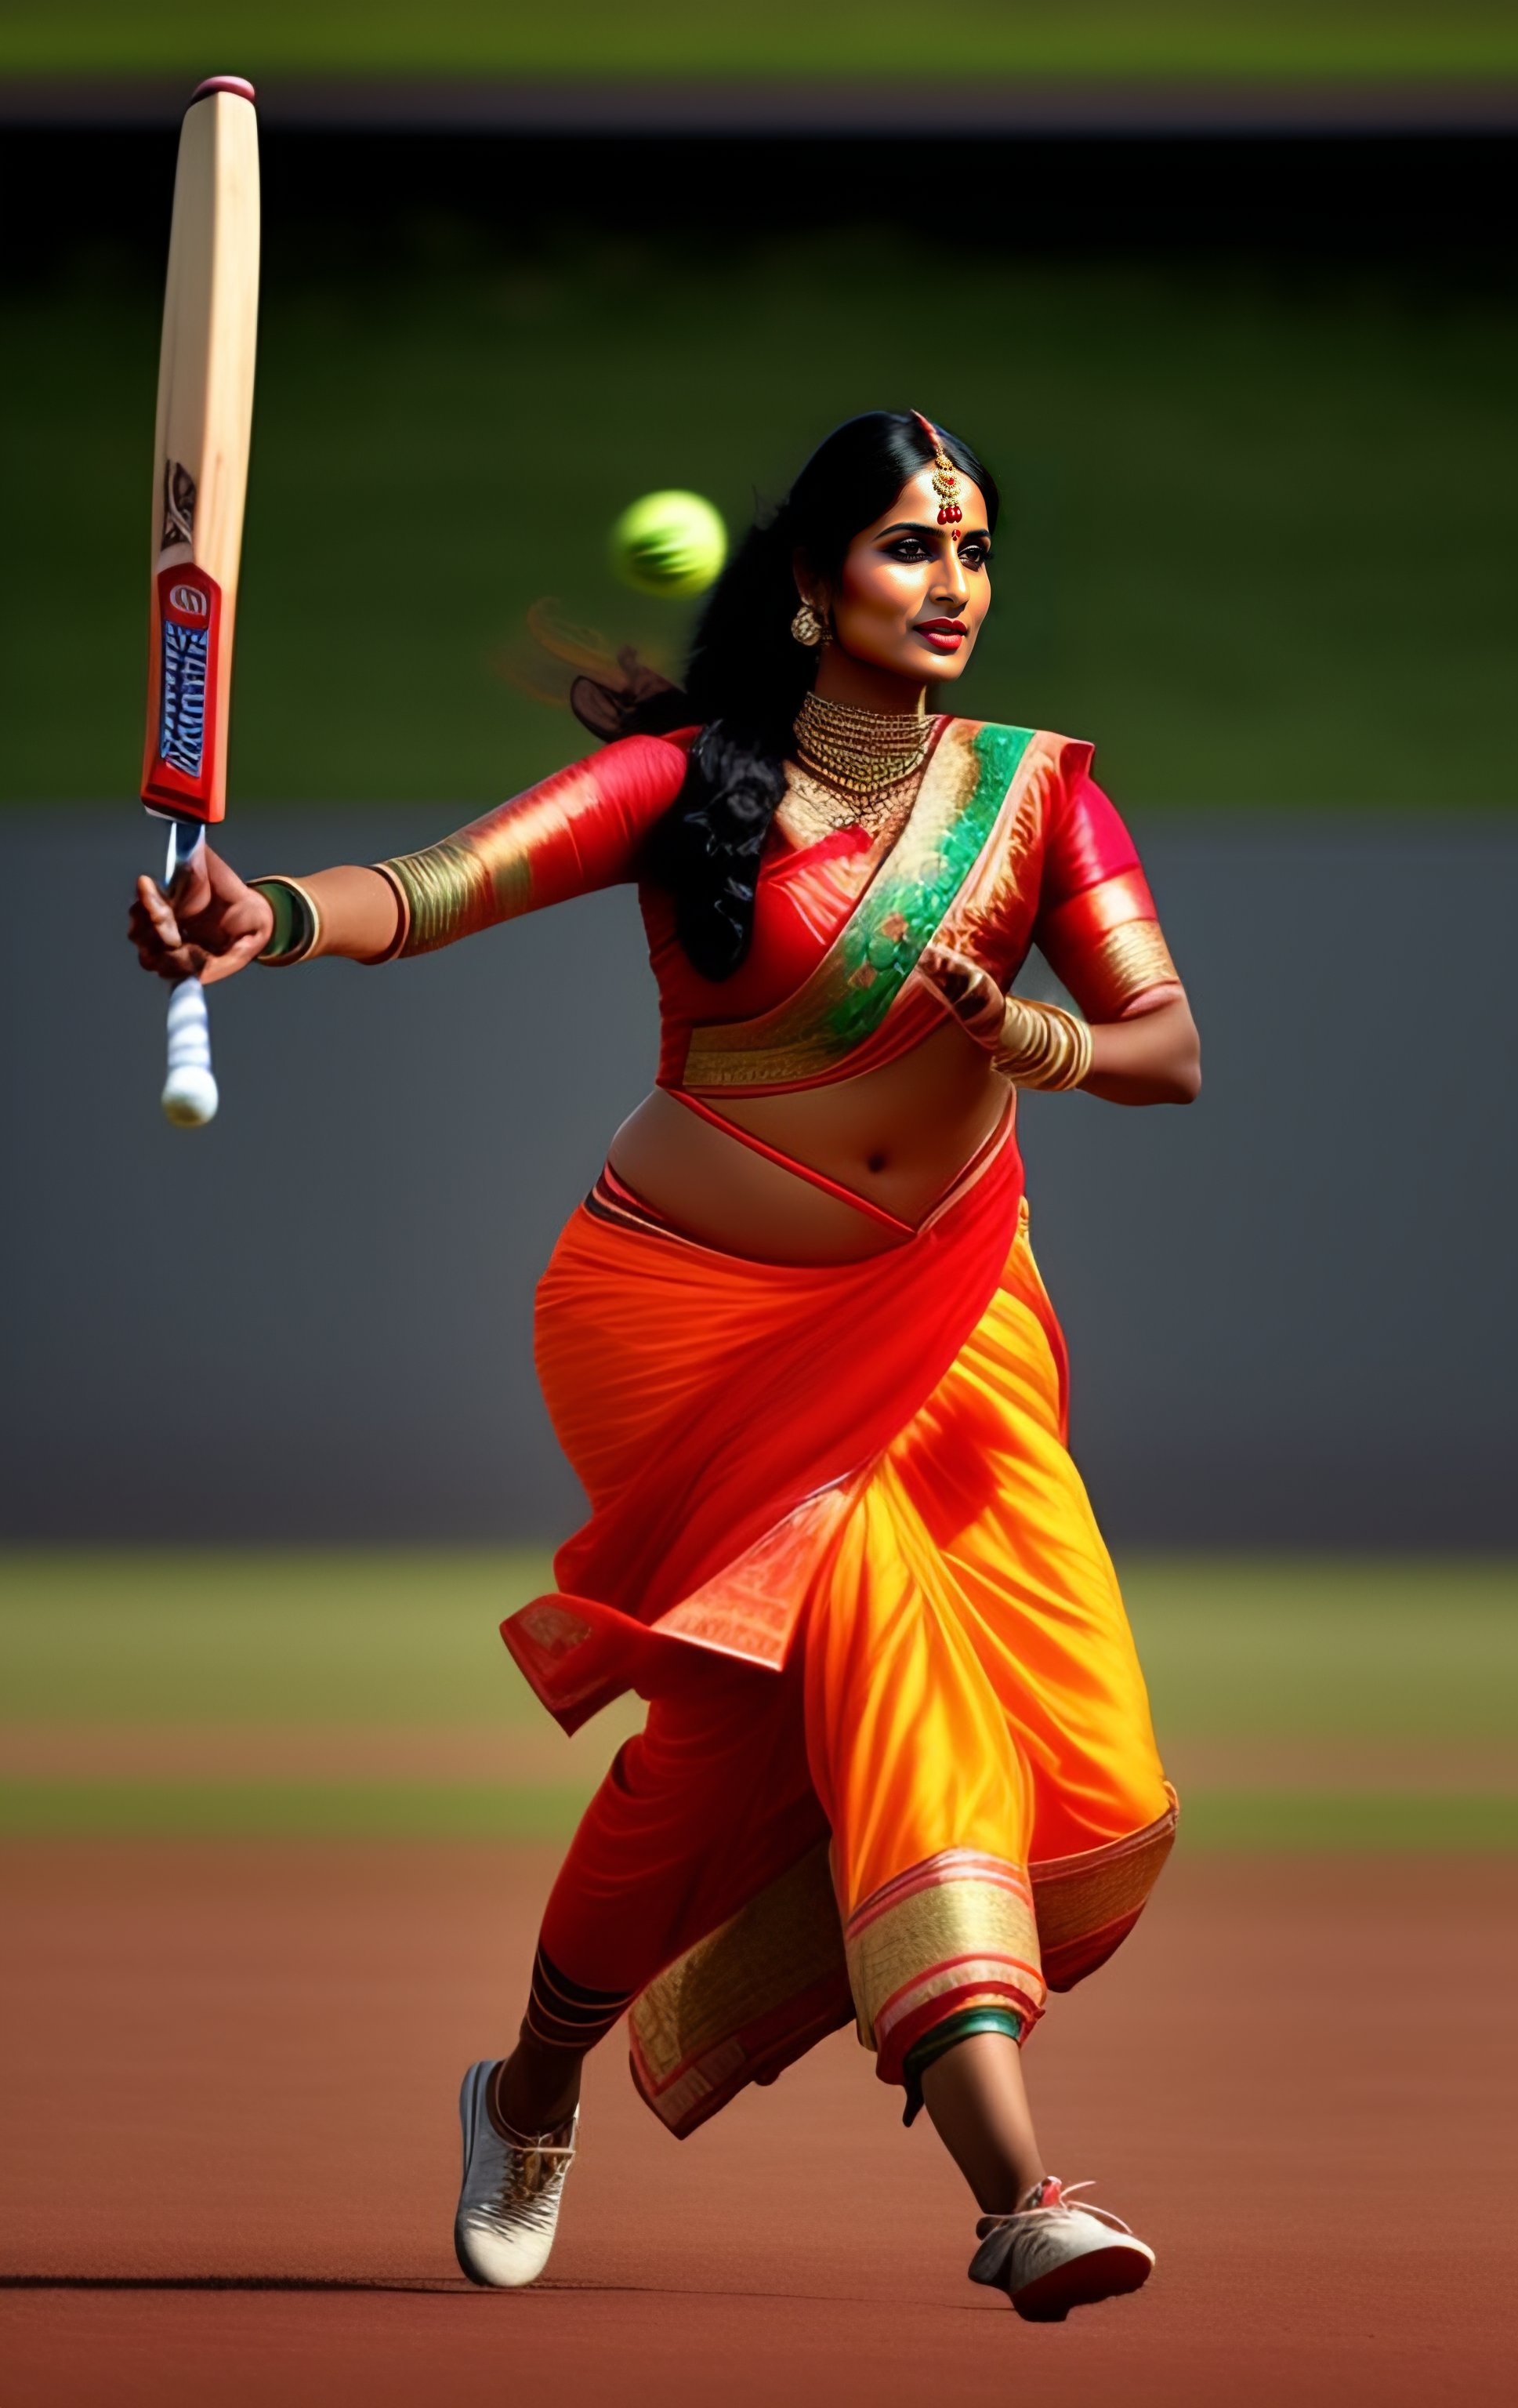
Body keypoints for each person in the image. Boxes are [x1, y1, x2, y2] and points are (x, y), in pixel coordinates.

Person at [129, 410, 1200, 2323]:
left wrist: (1025, 1042)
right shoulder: (680, 784)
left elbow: (1163, 1044)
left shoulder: (1038, 796)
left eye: (970, 547)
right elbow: (437, 889)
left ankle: (530, 2085)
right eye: (900, 547)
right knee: (884, 1634)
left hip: (951, 1323)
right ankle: (1018, 2192)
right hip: (679, 1313)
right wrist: (263, 920)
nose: (947, 580)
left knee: (925, 1767)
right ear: (807, 584)